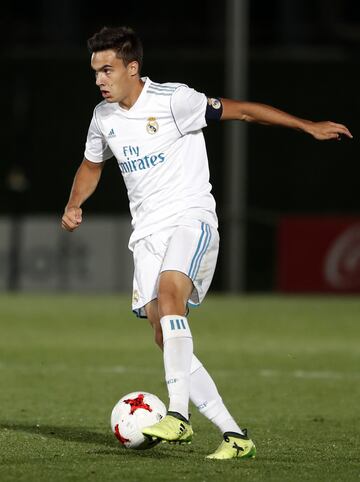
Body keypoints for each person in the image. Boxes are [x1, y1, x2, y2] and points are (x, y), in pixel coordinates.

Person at [61, 26, 353, 460]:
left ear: (132, 68)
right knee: (164, 335)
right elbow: (91, 164)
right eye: (95, 72)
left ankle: (178, 415)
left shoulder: (175, 100)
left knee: (170, 294)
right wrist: (73, 204)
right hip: (147, 234)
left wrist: (306, 125)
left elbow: (245, 112)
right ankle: (235, 435)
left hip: (190, 218)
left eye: (108, 70)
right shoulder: (103, 118)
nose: (100, 79)